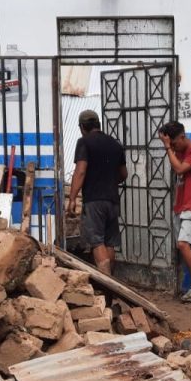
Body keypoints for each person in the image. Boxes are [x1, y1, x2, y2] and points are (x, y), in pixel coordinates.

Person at [67, 110, 127, 276]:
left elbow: (80, 171)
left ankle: (107, 287)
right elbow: (124, 174)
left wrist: (72, 198)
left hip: (94, 201)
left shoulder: (84, 142)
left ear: (82, 127)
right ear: (98, 125)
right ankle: (113, 286)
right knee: (109, 244)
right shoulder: (115, 144)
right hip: (112, 201)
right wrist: (109, 181)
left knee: (96, 242)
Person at [158, 121, 191, 303]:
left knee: (183, 244)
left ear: (181, 137)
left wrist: (167, 148)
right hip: (183, 206)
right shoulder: (180, 151)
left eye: (174, 144)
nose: (173, 148)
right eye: (170, 145)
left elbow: (179, 169)